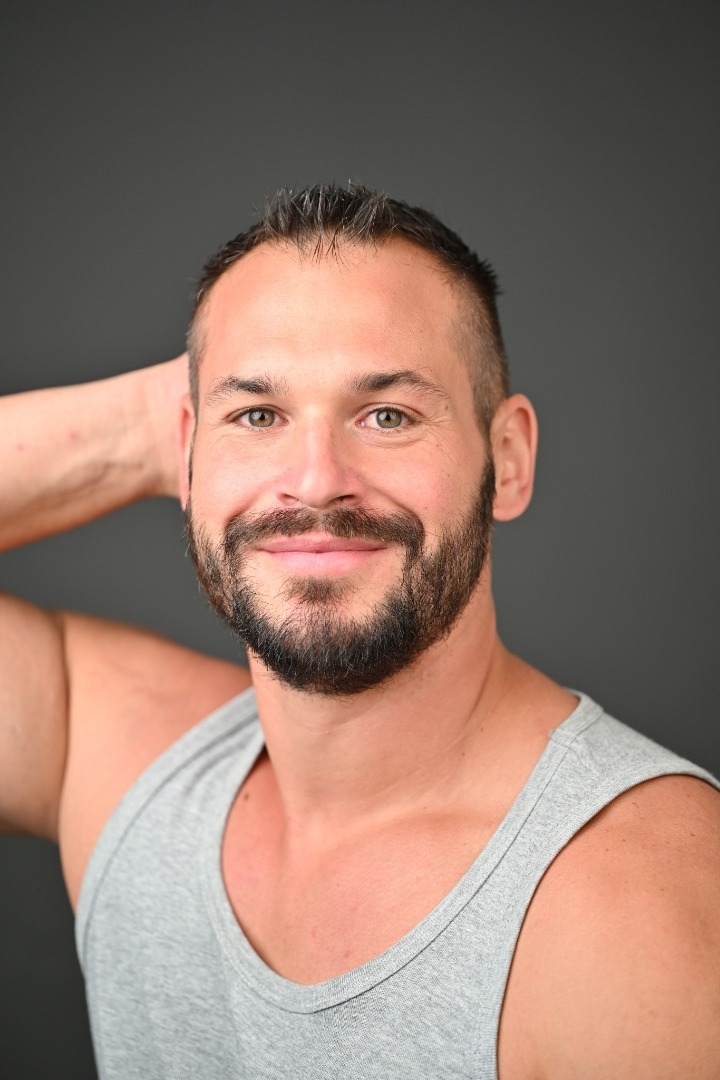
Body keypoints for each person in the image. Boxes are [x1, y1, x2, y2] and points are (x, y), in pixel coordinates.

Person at [1, 184, 719, 1080]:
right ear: (187, 452)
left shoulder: (639, 911)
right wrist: (152, 426)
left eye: (387, 416)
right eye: (258, 417)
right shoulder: (123, 762)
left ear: (508, 459)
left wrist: (239, 402)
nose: (314, 480)